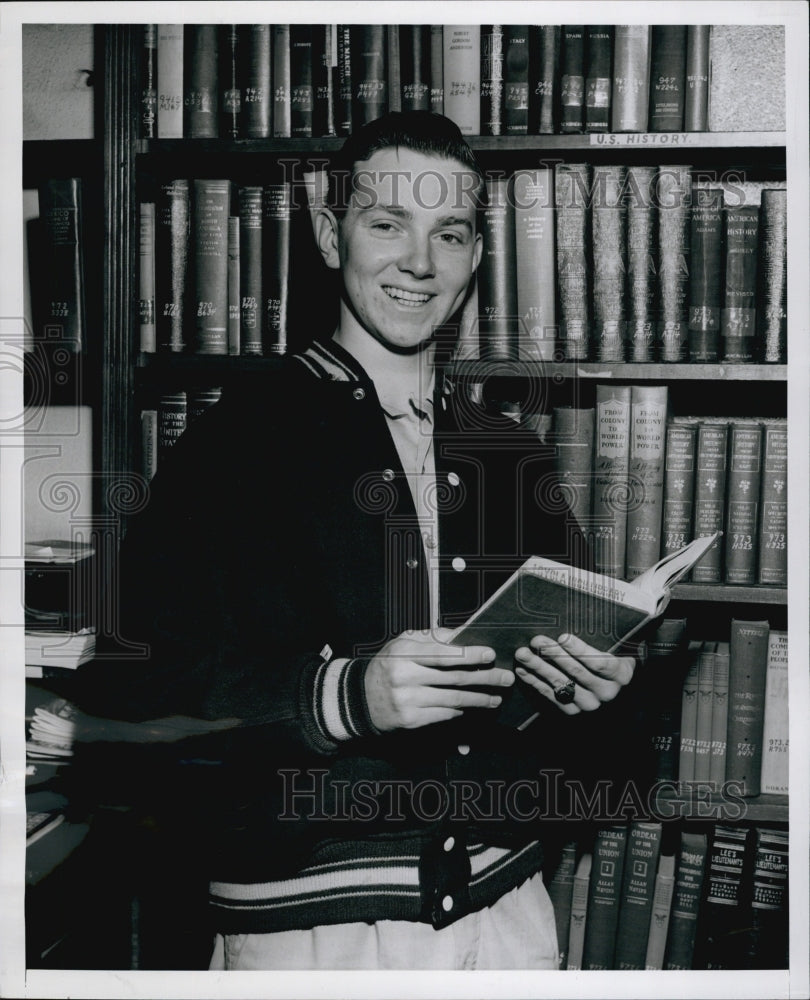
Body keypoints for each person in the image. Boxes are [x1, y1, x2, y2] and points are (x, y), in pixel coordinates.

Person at [74, 111, 637, 971]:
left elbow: (564, 739)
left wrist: (588, 689)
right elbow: (125, 702)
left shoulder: (510, 452)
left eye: (450, 233)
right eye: (388, 226)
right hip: (310, 941)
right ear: (331, 237)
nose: (420, 263)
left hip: (511, 922)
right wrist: (344, 695)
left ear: (477, 258)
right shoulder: (228, 449)